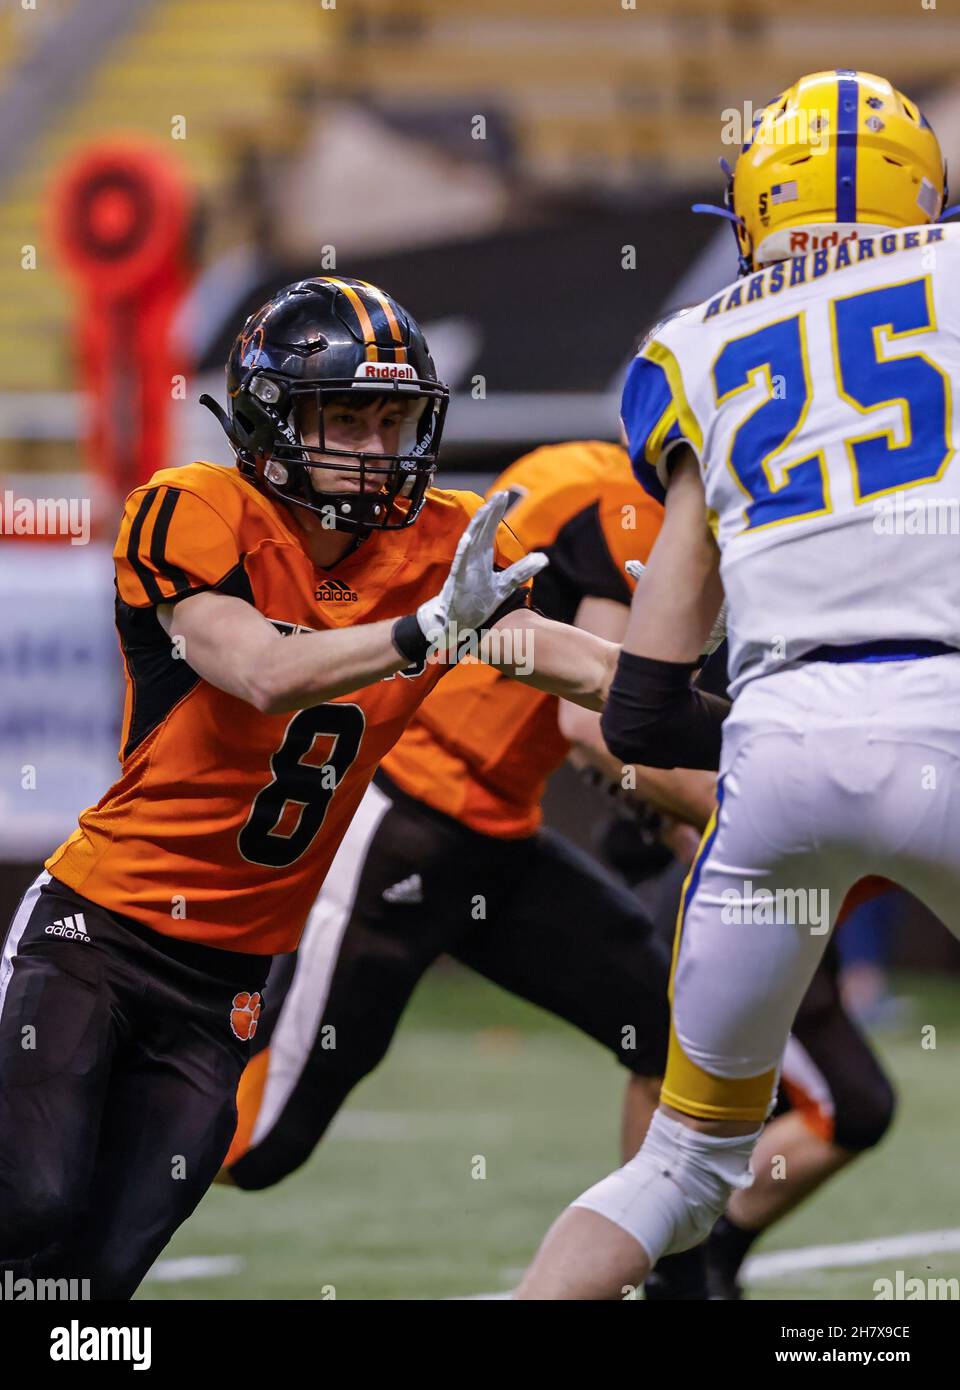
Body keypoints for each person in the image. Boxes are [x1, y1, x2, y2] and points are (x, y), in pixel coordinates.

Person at [0, 277, 620, 1300]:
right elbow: (263, 670)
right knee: (29, 1204)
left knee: (93, 1280)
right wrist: (428, 631)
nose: (377, 449)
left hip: (227, 984)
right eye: (345, 417)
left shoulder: (433, 549)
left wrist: (757, 694)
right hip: (98, 934)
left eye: (395, 419)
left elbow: (587, 666)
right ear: (268, 418)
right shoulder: (194, 508)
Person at [518, 69, 960, 1298]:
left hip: (776, 754)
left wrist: (783, 735)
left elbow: (646, 703)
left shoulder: (694, 349)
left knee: (679, 1165)